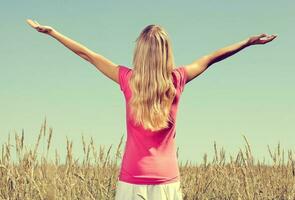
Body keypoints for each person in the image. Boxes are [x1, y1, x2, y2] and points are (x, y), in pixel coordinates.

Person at [26, 19, 277, 199]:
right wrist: (247, 42)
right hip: (168, 182)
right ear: (167, 53)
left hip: (131, 182)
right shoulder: (177, 80)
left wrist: (53, 32)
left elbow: (88, 55)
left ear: (140, 53)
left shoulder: (127, 79)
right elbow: (211, 58)